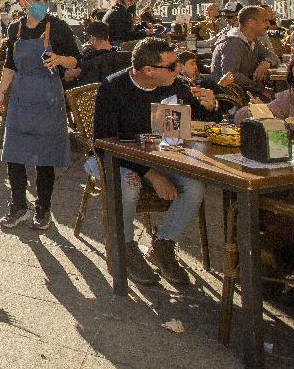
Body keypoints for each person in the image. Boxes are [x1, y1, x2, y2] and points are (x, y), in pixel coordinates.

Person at [89, 38, 217, 284]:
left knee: (195, 187)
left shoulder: (172, 85)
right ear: (148, 70)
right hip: (111, 157)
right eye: (172, 66)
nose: (178, 69)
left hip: (159, 155)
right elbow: (104, 143)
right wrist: (151, 174)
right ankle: (124, 248)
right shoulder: (114, 87)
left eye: (177, 64)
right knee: (128, 185)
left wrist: (211, 107)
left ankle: (163, 245)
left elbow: (191, 122)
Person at [0, 0, 80, 230]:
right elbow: (10, 66)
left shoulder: (58, 27)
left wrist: (60, 59)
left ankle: (43, 208)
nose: (41, 4)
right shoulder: (14, 29)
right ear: (23, 1)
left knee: (45, 155)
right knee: (14, 154)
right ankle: (18, 205)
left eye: (44, 0)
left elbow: (76, 61)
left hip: (48, 97)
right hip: (21, 96)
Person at [211, 5, 278, 98]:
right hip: (232, 100)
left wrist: (266, 63)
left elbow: (273, 57)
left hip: (247, 93)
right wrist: (261, 89)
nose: (268, 25)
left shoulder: (253, 40)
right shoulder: (233, 43)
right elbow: (231, 75)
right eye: (264, 21)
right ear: (251, 22)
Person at [64, 21, 125, 88]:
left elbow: (68, 76)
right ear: (107, 36)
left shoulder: (90, 58)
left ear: (93, 38)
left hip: (92, 95)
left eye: (88, 38)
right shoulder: (121, 53)